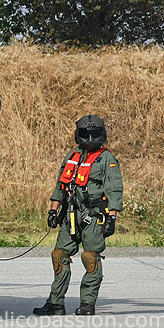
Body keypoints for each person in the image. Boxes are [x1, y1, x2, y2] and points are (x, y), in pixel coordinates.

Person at [33, 115, 123, 316]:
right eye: (85, 134)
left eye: (94, 134)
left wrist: (112, 218)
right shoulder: (72, 155)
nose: (90, 139)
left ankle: (88, 304)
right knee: (59, 255)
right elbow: (60, 185)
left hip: (93, 216)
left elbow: (114, 190)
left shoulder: (107, 158)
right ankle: (56, 303)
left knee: (90, 257)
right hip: (71, 215)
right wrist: (53, 210)